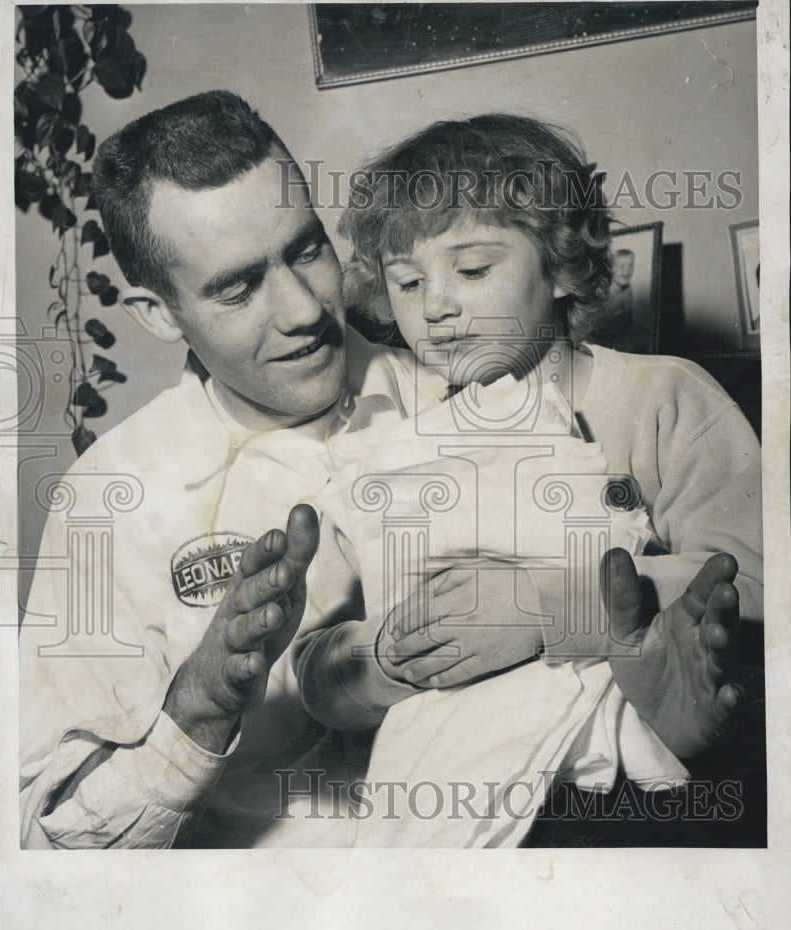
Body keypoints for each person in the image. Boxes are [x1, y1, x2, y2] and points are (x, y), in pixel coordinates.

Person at [19, 95, 756, 849]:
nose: (306, 311)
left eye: (307, 251)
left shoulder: (464, 380)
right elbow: (51, 853)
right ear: (158, 313)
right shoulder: (108, 500)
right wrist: (199, 711)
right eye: (238, 288)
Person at [291, 114, 763, 845]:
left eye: (472, 271)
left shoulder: (659, 396)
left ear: (563, 264)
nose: (436, 306)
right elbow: (313, 671)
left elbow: (762, 587)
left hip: (638, 791)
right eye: (408, 283)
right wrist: (386, 660)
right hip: (458, 799)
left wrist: (545, 609)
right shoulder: (390, 452)